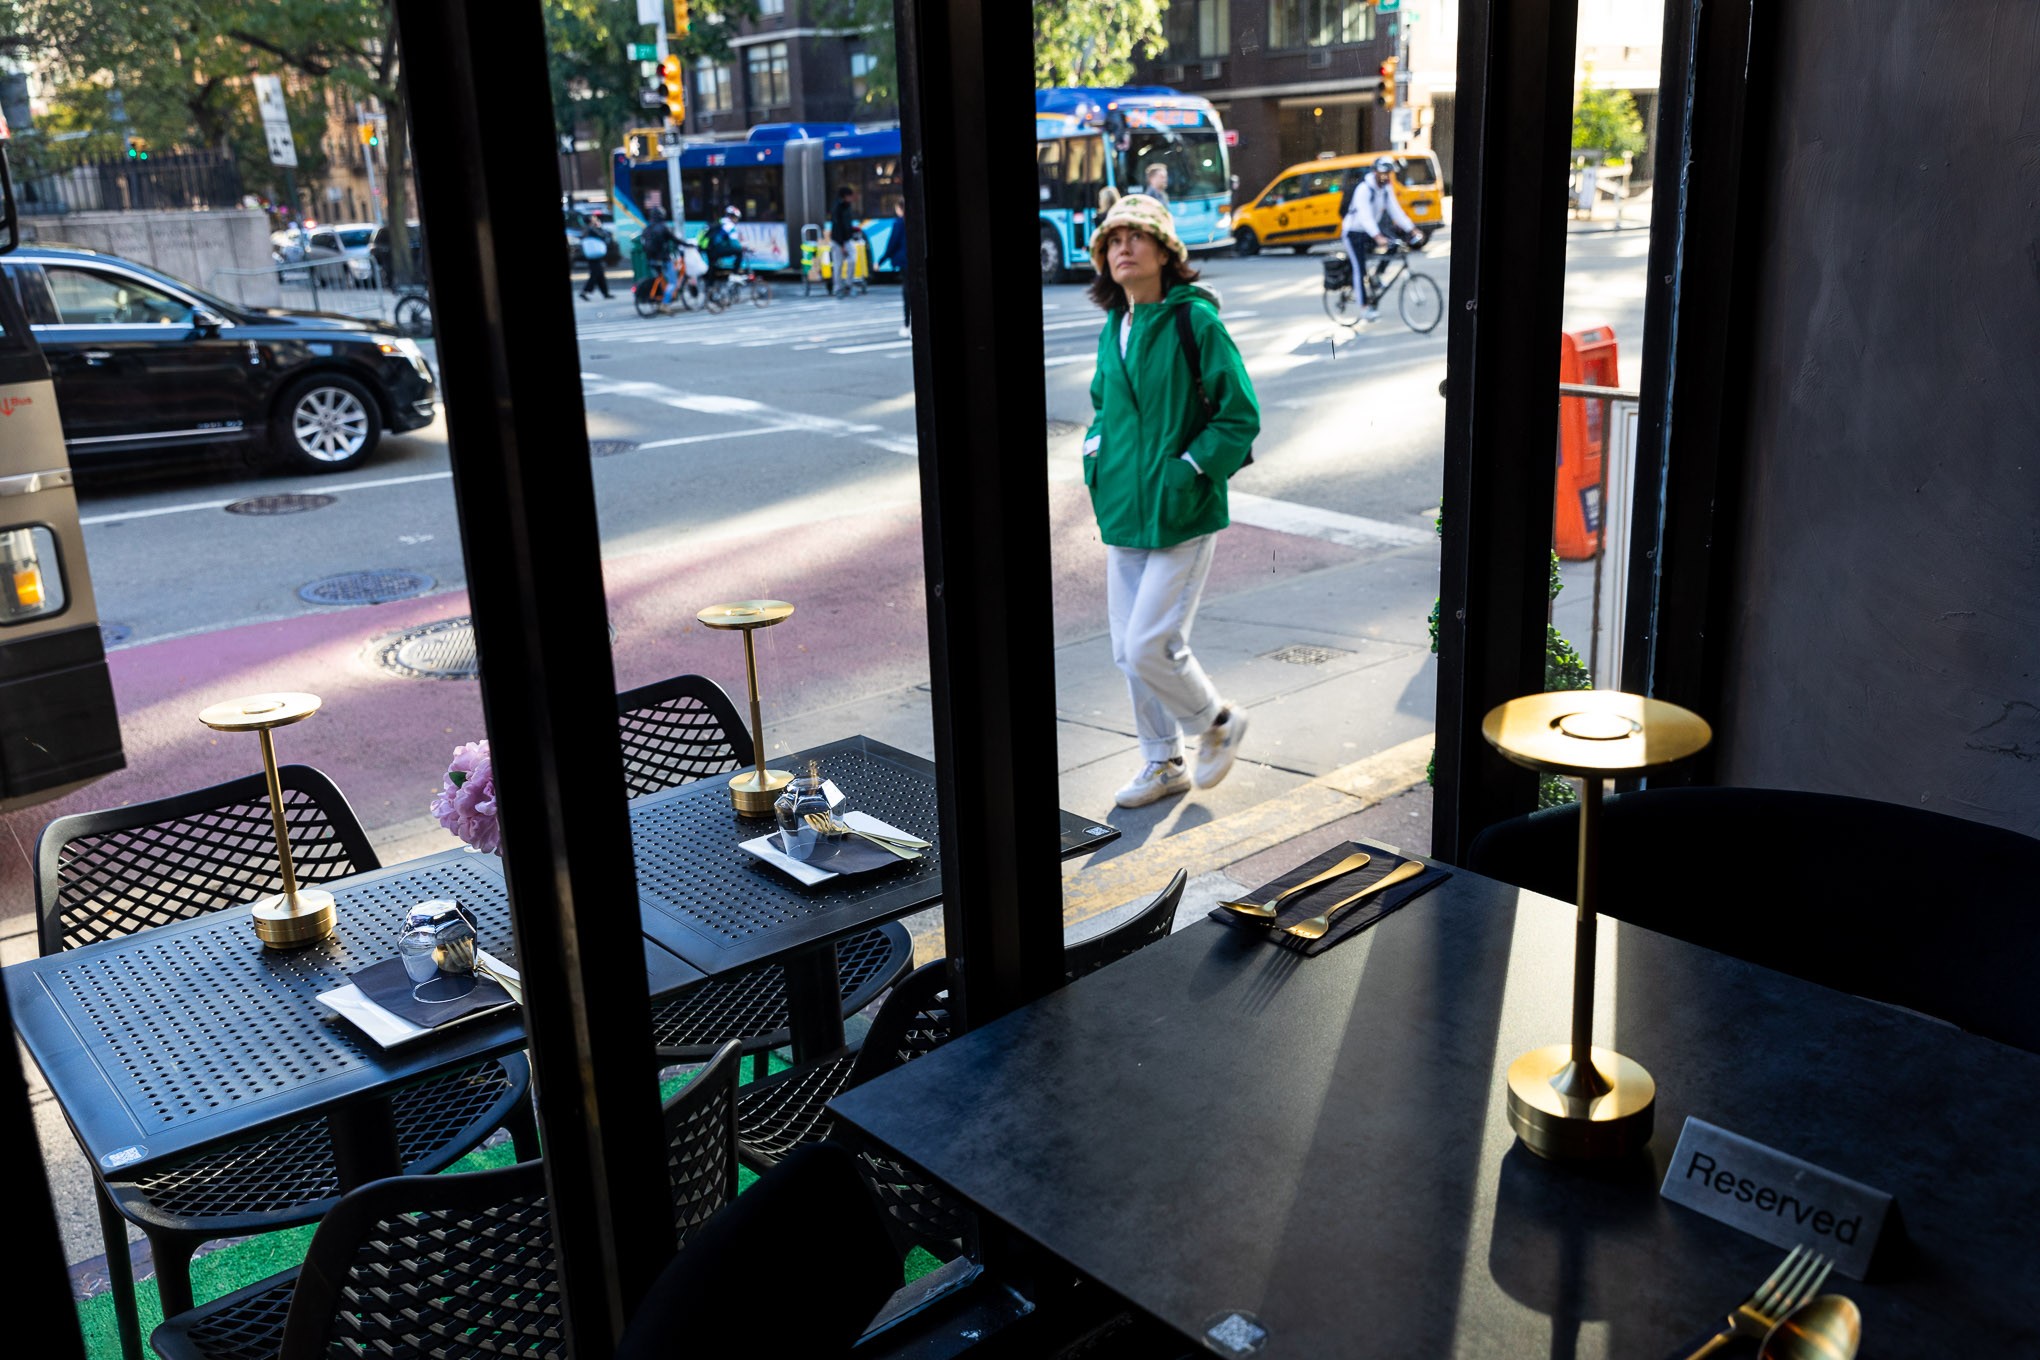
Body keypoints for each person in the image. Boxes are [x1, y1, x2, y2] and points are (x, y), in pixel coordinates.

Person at [1081, 193, 1259, 809]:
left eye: (1136, 236)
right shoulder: (1116, 326)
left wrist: (1189, 469)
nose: (1123, 246)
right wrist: (1095, 459)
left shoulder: (1195, 321)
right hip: (1125, 510)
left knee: (1148, 644)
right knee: (1127, 652)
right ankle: (1162, 763)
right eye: (1112, 240)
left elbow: (1240, 415)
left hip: (1182, 511)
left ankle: (1215, 722)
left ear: (1164, 251)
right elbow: (1103, 406)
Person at [1342, 157, 1424, 322]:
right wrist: (1378, 236)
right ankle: (1364, 308)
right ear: (1375, 172)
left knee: (1394, 244)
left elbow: (1396, 212)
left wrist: (1412, 229)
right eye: (1382, 173)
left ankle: (1378, 275)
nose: (1385, 176)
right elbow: (1365, 217)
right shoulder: (1364, 189)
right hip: (1353, 232)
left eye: (1388, 173)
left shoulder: (1386, 189)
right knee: (1360, 268)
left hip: (1369, 232)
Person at [640, 208, 680, 314]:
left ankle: (658, 298)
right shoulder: (663, 227)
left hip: (651, 259)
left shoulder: (647, 228)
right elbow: (675, 240)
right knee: (673, 282)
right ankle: (665, 304)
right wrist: (688, 245)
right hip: (663, 259)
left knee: (659, 278)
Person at [880, 201, 909, 336]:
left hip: (905, 261)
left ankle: (907, 324)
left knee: (907, 293)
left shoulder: (899, 223)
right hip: (914, 261)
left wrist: (881, 260)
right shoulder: (915, 220)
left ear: (899, 209)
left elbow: (892, 244)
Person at [828, 186, 860, 299]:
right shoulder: (837, 207)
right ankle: (837, 288)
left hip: (846, 240)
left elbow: (846, 224)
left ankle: (848, 285)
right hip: (838, 242)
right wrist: (841, 245)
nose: (852, 198)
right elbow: (837, 228)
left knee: (852, 260)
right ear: (845, 196)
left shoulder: (847, 206)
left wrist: (853, 230)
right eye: (850, 196)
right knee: (838, 265)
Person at [702, 205, 745, 286]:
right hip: (715, 249)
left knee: (713, 268)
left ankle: (709, 290)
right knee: (739, 251)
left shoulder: (720, 221)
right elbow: (734, 243)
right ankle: (735, 274)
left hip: (709, 249)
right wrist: (743, 247)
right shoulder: (729, 224)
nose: (737, 221)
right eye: (737, 218)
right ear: (733, 217)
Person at [578, 222, 612, 300]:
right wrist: (600, 227)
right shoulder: (592, 229)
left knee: (599, 274)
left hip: (590, 254)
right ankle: (584, 291)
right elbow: (603, 235)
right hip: (595, 254)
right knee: (595, 274)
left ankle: (605, 293)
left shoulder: (585, 229)